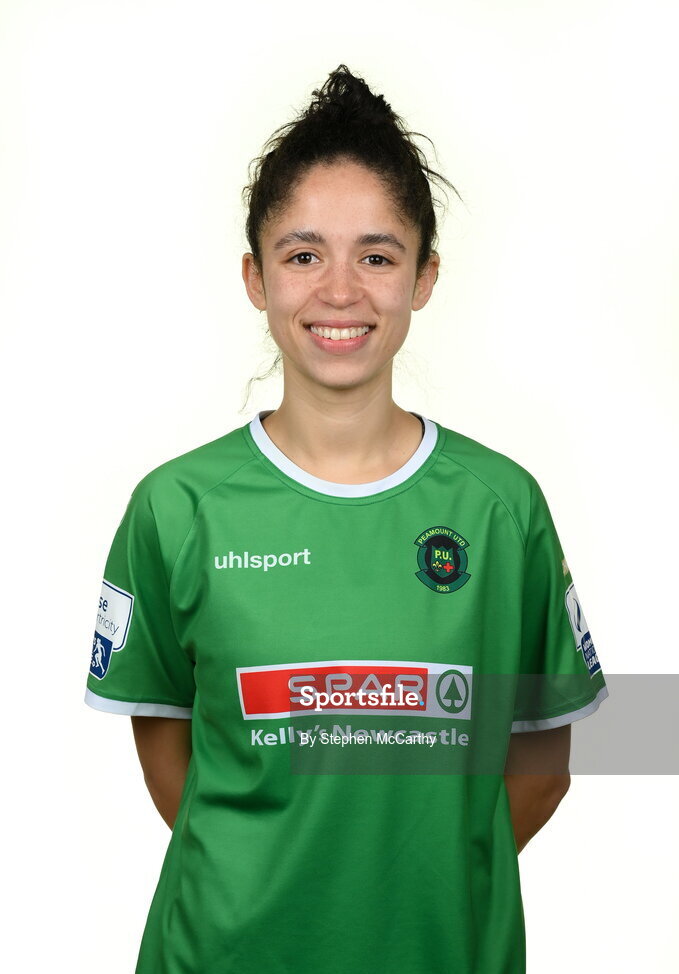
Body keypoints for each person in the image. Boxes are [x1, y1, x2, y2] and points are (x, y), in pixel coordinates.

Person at [84, 64, 608, 974]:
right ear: (255, 277)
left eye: (376, 254)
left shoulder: (500, 505)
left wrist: (415, 881)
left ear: (423, 276)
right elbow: (173, 757)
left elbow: (547, 762)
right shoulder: (176, 506)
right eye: (301, 254)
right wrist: (291, 879)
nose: (339, 290)